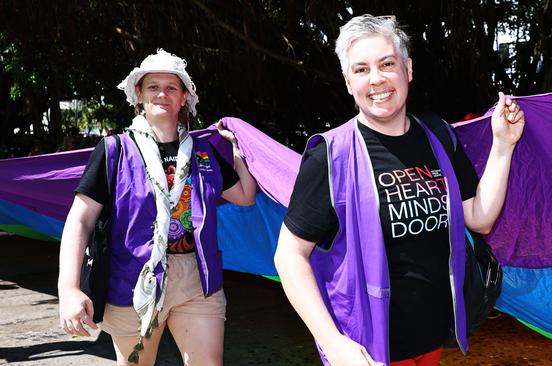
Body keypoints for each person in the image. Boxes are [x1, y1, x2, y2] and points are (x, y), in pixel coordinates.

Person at [274, 15, 525, 366]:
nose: (376, 79)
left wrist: (503, 146)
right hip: (368, 351)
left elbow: (479, 218)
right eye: (361, 70)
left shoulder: (437, 135)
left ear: (407, 69)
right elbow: (289, 256)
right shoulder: (330, 156)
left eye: (387, 64)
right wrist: (333, 343)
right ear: (348, 82)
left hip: (431, 339)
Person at [57, 49, 257, 366]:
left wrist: (235, 153)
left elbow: (245, 195)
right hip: (134, 277)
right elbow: (79, 221)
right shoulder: (114, 150)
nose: (162, 94)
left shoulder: (203, 152)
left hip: (197, 280)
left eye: (171, 88)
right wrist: (68, 288)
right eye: (153, 87)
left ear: (183, 99)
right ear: (139, 94)